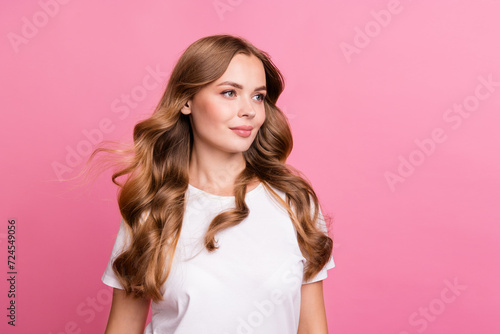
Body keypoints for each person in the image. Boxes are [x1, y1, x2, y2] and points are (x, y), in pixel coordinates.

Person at [94, 34, 335, 333]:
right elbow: (123, 327)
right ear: (186, 101)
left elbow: (313, 328)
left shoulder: (295, 203)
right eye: (230, 92)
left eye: (258, 96)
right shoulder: (151, 208)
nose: (249, 109)